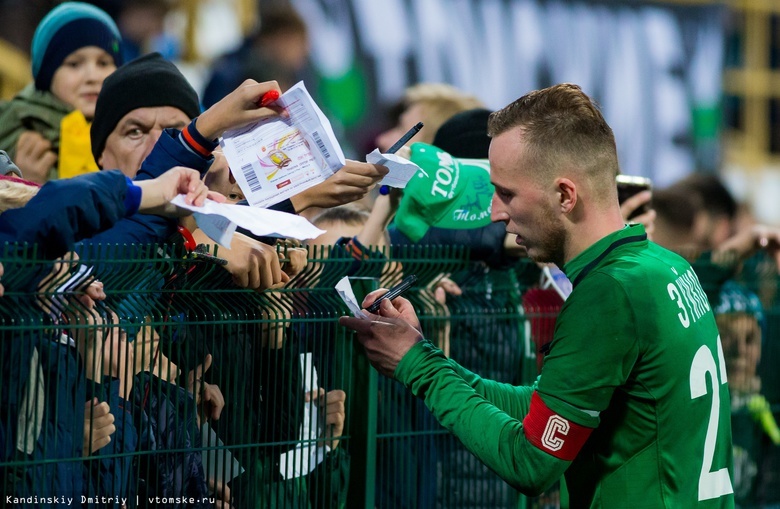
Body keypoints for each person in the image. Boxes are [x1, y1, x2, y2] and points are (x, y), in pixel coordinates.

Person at [340, 84, 735, 507]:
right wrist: (424, 354)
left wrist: (418, 368)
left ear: (565, 195)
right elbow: (545, 407)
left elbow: (531, 462)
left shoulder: (611, 291)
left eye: (506, 193)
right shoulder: (665, 267)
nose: (495, 212)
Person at [0, 2, 122, 183]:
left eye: (103, 63)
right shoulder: (20, 129)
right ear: (47, 77)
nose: (92, 76)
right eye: (74, 64)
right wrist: (25, 184)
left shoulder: (132, 126)